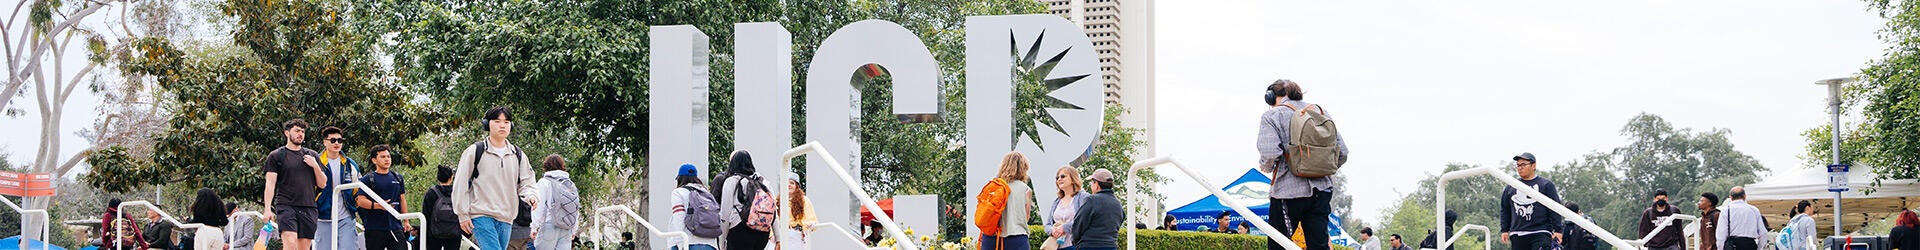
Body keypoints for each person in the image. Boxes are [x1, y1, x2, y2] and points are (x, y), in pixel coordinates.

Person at [1257, 79, 1350, 250]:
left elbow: (1270, 154)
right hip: (1321, 190)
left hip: (1287, 191)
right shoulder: (1320, 112)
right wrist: (1320, 168)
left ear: (1271, 97)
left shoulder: (1272, 115)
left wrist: (1266, 166)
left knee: (1279, 244)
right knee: (1319, 245)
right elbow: (1342, 152)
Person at [453, 106, 540, 250]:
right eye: (497, 121)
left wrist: (531, 196)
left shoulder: (517, 155)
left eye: (506, 122)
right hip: (481, 214)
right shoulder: (475, 151)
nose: (502, 125)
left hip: (507, 217)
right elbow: (460, 184)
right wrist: (462, 214)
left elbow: (527, 181)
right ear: (487, 124)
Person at [262, 119, 326, 250]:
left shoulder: (312, 155)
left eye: (303, 131)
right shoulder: (276, 156)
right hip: (286, 205)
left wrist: (315, 166)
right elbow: (270, 183)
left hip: (308, 206)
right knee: (290, 244)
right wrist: (267, 209)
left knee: (303, 248)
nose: (300, 134)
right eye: (297, 131)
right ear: (287, 133)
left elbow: (323, 184)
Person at [313, 126, 363, 250]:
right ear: (325, 142)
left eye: (340, 141)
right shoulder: (316, 163)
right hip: (323, 216)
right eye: (333, 140)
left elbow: (358, 190)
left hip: (346, 216)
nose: (337, 143)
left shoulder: (350, 164)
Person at [1499, 153, 1562, 250]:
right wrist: (1504, 230)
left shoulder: (1545, 185)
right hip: (1518, 234)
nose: (1520, 168)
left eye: (1523, 165)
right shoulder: (1510, 187)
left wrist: (1558, 230)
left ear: (1533, 165)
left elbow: (1555, 208)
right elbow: (1505, 210)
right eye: (1518, 165)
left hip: (1540, 232)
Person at [356, 144, 411, 250]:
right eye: (383, 157)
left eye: (388, 156)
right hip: (374, 228)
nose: (387, 159)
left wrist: (406, 221)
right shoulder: (367, 179)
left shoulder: (398, 177)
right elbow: (361, 201)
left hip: (395, 226)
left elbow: (402, 200)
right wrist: (379, 206)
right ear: (374, 160)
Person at [713, 150, 770, 250]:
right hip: (762, 231)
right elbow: (772, 209)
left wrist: (722, 241)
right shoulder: (763, 181)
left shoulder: (731, 181)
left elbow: (725, 214)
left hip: (739, 229)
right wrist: (778, 238)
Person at [983, 152, 1037, 250]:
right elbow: (1026, 216)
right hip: (1016, 238)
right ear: (1023, 168)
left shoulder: (994, 186)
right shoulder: (1025, 189)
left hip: (991, 237)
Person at [533, 154, 582, 250]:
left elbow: (539, 206)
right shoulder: (570, 184)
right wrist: (573, 229)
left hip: (549, 225)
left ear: (546, 166)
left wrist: (534, 227)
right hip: (566, 228)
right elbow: (575, 207)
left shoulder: (544, 182)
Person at [670, 164, 721, 250]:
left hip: (689, 242)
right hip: (711, 244)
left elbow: (679, 218)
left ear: (680, 178)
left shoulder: (678, 192)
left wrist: (680, 245)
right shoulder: (707, 193)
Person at [1069, 169, 1123, 250]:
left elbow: (1079, 224)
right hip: (1111, 245)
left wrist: (1075, 242)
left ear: (1096, 184)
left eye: (1092, 182)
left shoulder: (1091, 200)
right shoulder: (1117, 203)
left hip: (1090, 245)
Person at [1045, 166, 1091, 250]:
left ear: (1073, 178)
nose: (1059, 179)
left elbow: (1084, 220)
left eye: (1063, 176)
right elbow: (1048, 225)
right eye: (1057, 178)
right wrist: (1052, 230)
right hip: (1057, 246)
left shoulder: (1083, 197)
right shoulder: (1057, 201)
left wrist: (1064, 228)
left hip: (1076, 246)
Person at [423, 165, 463, 250]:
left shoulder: (431, 193)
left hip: (434, 233)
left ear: (438, 177)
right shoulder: (457, 192)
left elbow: (426, 215)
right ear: (451, 177)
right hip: (454, 233)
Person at [775, 175, 817, 250]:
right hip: (780, 235)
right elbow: (773, 220)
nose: (789, 185)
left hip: (796, 235)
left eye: (792, 183)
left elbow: (811, 219)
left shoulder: (804, 200)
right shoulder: (777, 201)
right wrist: (772, 235)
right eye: (786, 182)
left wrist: (809, 225)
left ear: (797, 186)